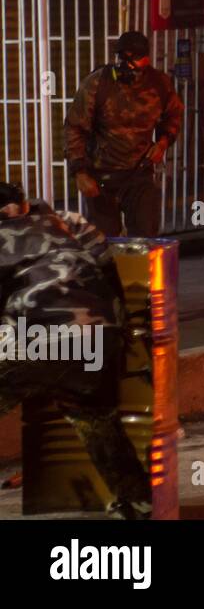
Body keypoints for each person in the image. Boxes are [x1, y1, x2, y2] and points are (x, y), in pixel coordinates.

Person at [0, 182, 151, 519]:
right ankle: (136, 505)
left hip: (39, 339)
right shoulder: (67, 222)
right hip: (99, 339)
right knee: (97, 421)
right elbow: (110, 275)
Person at [65, 31, 184, 238]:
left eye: (134, 57)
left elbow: (174, 115)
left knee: (144, 240)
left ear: (146, 58)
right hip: (101, 176)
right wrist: (80, 172)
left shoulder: (160, 83)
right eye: (122, 56)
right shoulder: (97, 83)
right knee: (104, 244)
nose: (127, 64)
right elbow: (74, 128)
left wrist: (163, 143)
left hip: (139, 175)